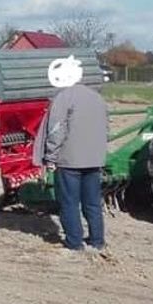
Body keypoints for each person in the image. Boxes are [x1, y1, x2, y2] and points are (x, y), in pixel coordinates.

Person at [33, 55, 109, 254]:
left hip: (70, 161)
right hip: (94, 160)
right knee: (92, 203)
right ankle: (97, 241)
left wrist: (50, 157)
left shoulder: (63, 98)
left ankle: (74, 242)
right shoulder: (97, 97)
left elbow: (56, 131)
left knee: (69, 203)